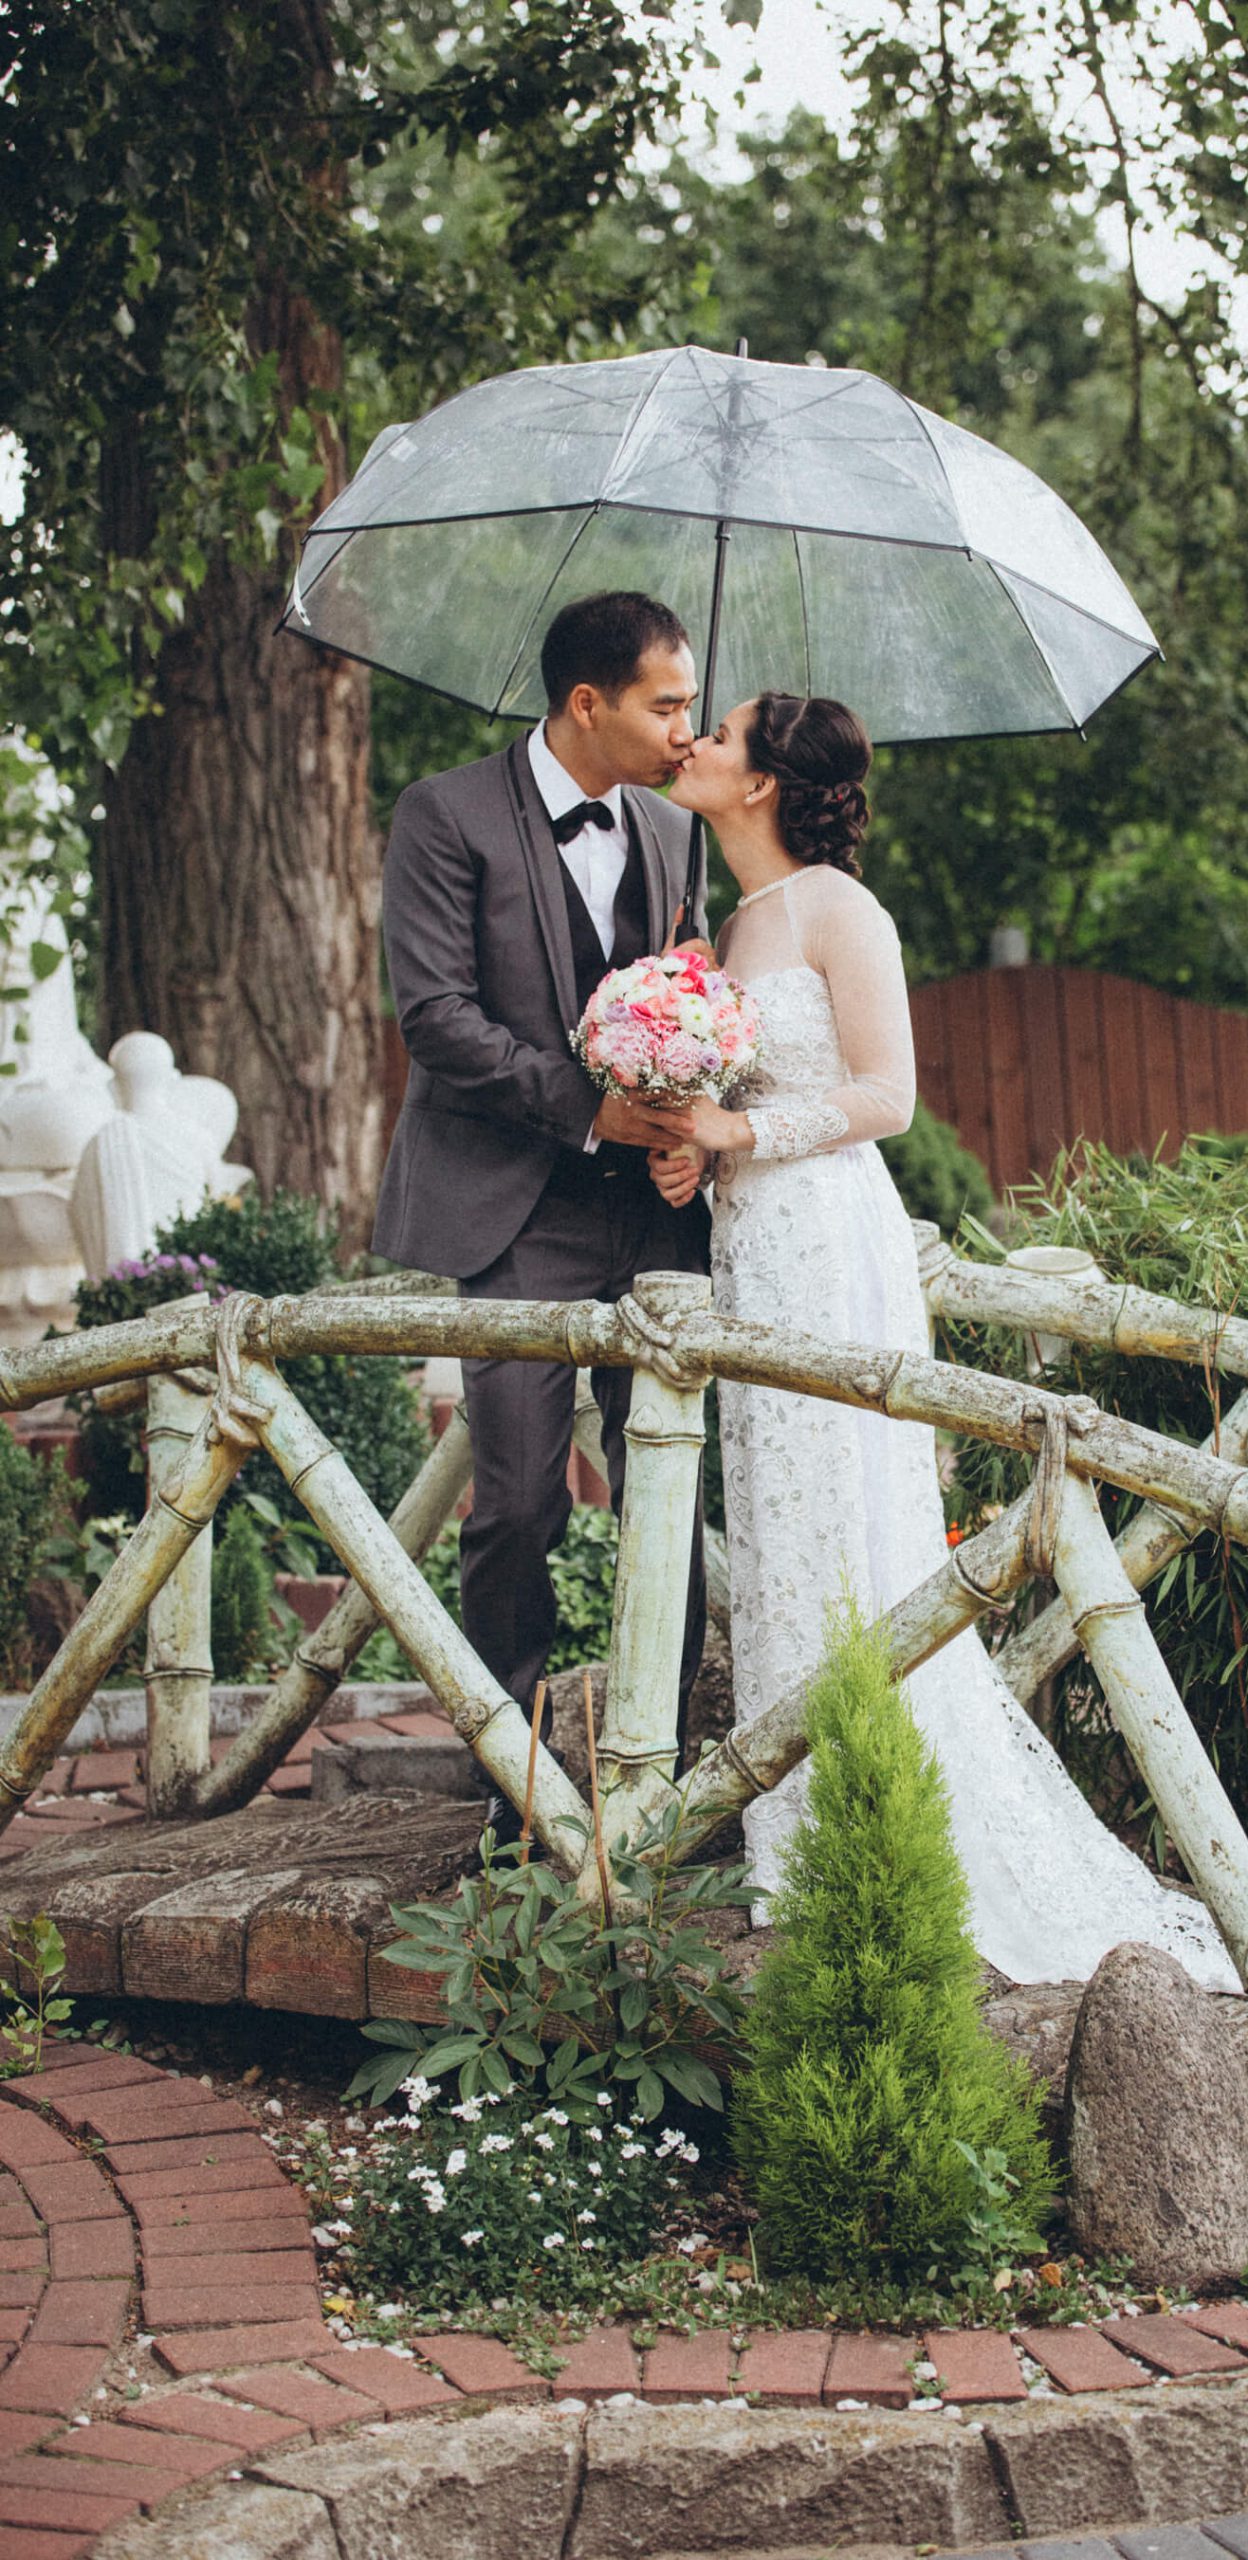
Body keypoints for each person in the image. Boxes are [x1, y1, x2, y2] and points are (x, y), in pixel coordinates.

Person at [647, 691, 1238, 1990]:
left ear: (764, 781)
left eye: (721, 732)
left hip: (830, 1241)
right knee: (779, 1516)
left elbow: (886, 1095)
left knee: (844, 1509)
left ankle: (881, 1804)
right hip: (752, 1242)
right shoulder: (729, 923)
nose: (693, 740)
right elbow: (736, 1098)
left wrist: (744, 1131)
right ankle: (796, 1818)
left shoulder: (839, 910)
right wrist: (696, 1145)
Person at [375, 591, 712, 1810]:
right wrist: (588, 1109)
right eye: (666, 705)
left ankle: (662, 1772)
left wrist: (687, 1134)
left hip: (657, 1217)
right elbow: (436, 1019)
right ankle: (509, 1787)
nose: (687, 729)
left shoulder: (677, 833)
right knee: (518, 1502)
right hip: (517, 1207)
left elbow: (696, 1004)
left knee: (668, 1490)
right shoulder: (445, 814)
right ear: (586, 703)